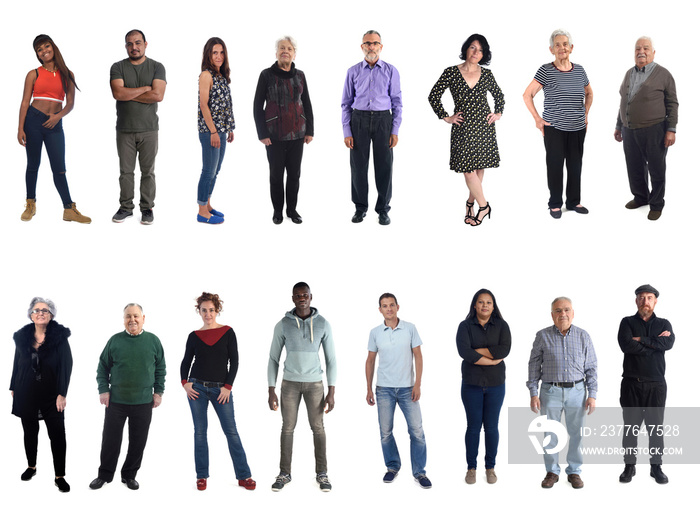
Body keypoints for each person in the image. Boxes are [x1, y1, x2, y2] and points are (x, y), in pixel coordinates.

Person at [180, 292, 256, 491]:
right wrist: (185, 383)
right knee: (200, 432)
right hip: (196, 388)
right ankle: (201, 476)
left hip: (221, 389)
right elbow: (186, 362)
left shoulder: (228, 332)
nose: (208, 314)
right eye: (204, 310)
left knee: (231, 431)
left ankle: (243, 475)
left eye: (211, 310)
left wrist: (227, 387)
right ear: (199, 311)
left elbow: (235, 361)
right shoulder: (193, 336)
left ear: (217, 310)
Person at [428, 34, 504, 226]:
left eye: (480, 50)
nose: (476, 52)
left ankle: (470, 203)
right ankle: (484, 206)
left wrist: (498, 113)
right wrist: (446, 117)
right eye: (472, 47)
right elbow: (433, 96)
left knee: (478, 168)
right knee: (468, 171)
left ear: (483, 54)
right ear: (466, 49)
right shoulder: (451, 72)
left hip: (484, 128)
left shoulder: (486, 74)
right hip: (462, 127)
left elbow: (499, 95)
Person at [268, 282, 337, 492]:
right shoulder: (282, 324)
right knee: (287, 428)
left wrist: (331, 391)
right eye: (297, 295)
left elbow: (331, 359)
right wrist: (271, 389)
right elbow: (273, 358)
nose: (301, 298)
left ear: (311, 297)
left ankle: (322, 473)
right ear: (292, 298)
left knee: (318, 428)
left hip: (315, 384)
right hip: (289, 384)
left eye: (305, 295)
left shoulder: (323, 324)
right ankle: (284, 473)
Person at [90, 303, 166, 491]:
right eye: (128, 316)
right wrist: (103, 389)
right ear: (124, 320)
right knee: (110, 440)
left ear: (143, 318)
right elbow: (102, 367)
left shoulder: (153, 341)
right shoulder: (115, 341)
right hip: (116, 401)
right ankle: (104, 475)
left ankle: (129, 475)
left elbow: (160, 369)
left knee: (138, 441)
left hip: (143, 402)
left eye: (135, 316)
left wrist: (158, 392)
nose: (132, 320)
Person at [17, 35, 91, 224]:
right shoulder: (33, 73)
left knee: (59, 169)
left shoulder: (68, 74)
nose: (44, 51)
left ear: (53, 47)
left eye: (46, 46)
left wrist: (58, 116)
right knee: (33, 165)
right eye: (39, 50)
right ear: (37, 55)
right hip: (33, 121)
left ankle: (68, 209)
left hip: (55, 124)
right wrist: (20, 128)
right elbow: (25, 102)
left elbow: (71, 103)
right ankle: (30, 204)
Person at [526, 297, 597, 489]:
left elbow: (591, 367)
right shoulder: (542, 336)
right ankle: (552, 471)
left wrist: (592, 394)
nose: (562, 314)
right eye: (558, 311)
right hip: (550, 391)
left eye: (566, 310)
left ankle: (574, 471)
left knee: (577, 434)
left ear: (573, 313)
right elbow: (533, 365)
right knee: (550, 434)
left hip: (577, 391)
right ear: (552, 315)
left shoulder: (583, 336)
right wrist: (533, 392)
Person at [523, 29, 593, 219]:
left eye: (564, 44)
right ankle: (555, 204)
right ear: (551, 49)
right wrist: (538, 119)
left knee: (575, 166)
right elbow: (527, 95)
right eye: (557, 45)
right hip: (554, 128)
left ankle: (573, 202)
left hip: (578, 128)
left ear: (571, 48)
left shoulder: (579, 70)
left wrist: (585, 114)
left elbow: (589, 93)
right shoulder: (545, 70)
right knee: (555, 166)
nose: (561, 48)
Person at [365, 293, 431, 488]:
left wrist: (417, 383)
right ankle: (392, 467)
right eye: (384, 306)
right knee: (385, 432)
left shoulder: (410, 328)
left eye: (392, 305)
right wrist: (368, 388)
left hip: (407, 388)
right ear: (380, 310)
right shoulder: (375, 332)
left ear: (397, 307)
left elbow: (418, 356)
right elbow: (370, 360)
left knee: (417, 431)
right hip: (383, 389)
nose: (389, 309)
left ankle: (419, 472)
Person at [10, 298, 73, 492]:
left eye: (45, 310)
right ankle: (31, 466)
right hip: (26, 392)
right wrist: (13, 386)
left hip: (52, 395)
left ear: (51, 315)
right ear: (31, 315)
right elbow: (16, 362)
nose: (40, 313)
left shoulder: (59, 338)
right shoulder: (22, 337)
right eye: (36, 310)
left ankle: (59, 476)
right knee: (29, 432)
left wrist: (62, 393)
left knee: (57, 435)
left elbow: (67, 365)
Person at [342, 30, 402, 225]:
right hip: (358, 119)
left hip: (383, 120)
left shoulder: (391, 71)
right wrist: (347, 131)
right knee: (358, 167)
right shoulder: (352, 71)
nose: (371, 47)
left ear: (381, 47)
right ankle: (360, 208)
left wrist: (394, 130)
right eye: (367, 43)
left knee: (384, 166)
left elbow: (397, 102)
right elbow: (345, 103)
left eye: (375, 43)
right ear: (362, 47)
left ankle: (383, 209)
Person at [614, 37, 678, 221]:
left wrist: (671, 129)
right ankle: (641, 197)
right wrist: (619, 125)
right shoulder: (628, 73)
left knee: (656, 168)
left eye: (646, 48)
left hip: (655, 129)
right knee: (634, 167)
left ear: (653, 52)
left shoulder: (663, 74)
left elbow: (672, 103)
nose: (641, 51)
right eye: (637, 48)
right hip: (629, 129)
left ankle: (657, 204)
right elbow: (624, 102)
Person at [617, 284, 674, 484]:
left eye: (649, 298)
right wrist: (654, 344)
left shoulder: (664, 324)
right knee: (630, 428)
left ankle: (656, 466)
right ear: (636, 301)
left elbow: (668, 344)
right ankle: (629, 466)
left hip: (656, 385)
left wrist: (640, 339)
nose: (645, 301)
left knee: (656, 428)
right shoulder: (626, 322)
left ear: (655, 301)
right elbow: (626, 345)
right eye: (641, 297)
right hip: (632, 384)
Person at [254, 36, 314, 225]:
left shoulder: (301, 75)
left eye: (289, 48)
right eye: (282, 48)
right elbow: (257, 106)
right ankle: (278, 211)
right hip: (274, 136)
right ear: (276, 52)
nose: (285, 51)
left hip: (298, 134)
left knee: (294, 175)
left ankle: (292, 210)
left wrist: (309, 130)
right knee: (276, 175)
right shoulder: (266, 75)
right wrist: (262, 133)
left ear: (294, 53)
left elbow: (307, 104)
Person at [110, 29, 166, 225]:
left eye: (138, 43)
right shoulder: (117, 67)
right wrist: (145, 88)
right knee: (126, 172)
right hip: (124, 129)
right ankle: (125, 207)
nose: (134, 47)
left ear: (145, 44)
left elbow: (158, 95)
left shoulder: (157, 67)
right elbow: (118, 93)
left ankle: (147, 208)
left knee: (148, 171)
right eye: (130, 44)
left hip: (149, 129)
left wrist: (128, 92)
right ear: (126, 46)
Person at [456, 289, 510, 484]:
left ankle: (490, 467)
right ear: (475, 305)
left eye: (488, 302)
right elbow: (464, 352)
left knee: (492, 427)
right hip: (471, 384)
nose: (484, 305)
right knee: (473, 427)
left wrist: (478, 352)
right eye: (481, 302)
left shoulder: (502, 326)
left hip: (496, 384)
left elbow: (505, 349)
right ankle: (471, 468)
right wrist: (492, 360)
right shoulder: (465, 326)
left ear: (493, 306)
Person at [196, 38, 234, 225]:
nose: (218, 56)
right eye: (214, 53)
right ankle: (202, 211)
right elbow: (204, 105)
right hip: (209, 131)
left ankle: (208, 204)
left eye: (221, 52)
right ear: (208, 55)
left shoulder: (221, 75)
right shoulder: (206, 75)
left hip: (220, 130)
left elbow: (225, 105)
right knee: (208, 171)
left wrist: (229, 128)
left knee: (215, 170)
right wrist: (213, 131)